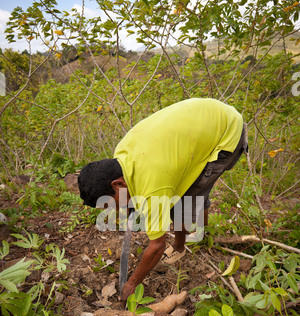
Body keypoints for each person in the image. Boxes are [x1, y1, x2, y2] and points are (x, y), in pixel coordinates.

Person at [78, 98, 248, 302]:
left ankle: (179, 246)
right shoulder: (121, 153)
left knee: (185, 198)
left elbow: (157, 246)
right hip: (205, 115)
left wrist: (132, 283)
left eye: (112, 203)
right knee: (187, 182)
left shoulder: (153, 185)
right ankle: (200, 228)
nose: (116, 208)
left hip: (227, 132)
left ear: (117, 184)